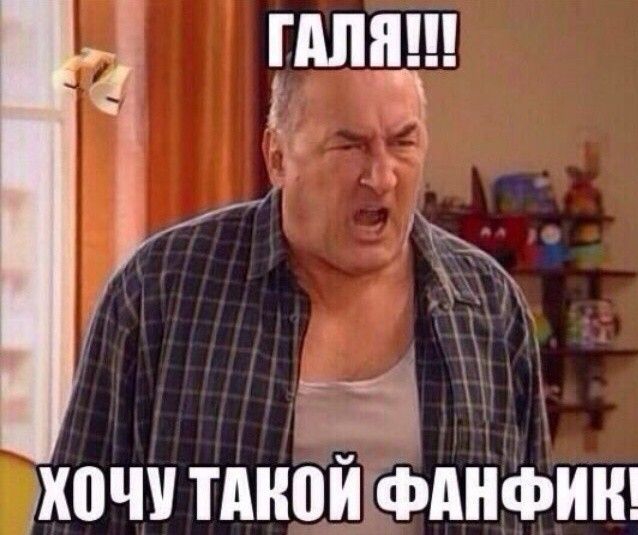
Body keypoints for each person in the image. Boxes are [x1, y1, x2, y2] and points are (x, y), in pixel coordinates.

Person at [34, 68, 557, 534]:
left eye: (403, 142)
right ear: (278, 157)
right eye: (349, 146)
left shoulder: (489, 308)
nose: (381, 176)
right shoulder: (161, 290)